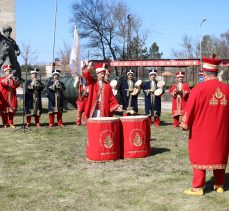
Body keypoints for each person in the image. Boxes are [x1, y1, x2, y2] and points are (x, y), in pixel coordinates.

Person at [180, 55, 229, 196]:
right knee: (219, 155)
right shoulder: (227, 89)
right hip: (222, 132)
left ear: (205, 73)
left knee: (200, 156)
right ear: (216, 72)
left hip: (201, 132)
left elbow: (189, 109)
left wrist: (184, 124)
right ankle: (219, 184)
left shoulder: (198, 89)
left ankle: (198, 187)